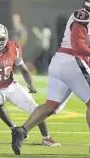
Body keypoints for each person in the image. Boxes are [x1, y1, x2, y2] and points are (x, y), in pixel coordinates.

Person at [11, 0, 90, 155]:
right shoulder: (84, 15)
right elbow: (78, 46)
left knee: (50, 106)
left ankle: (22, 131)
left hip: (62, 63)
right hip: (71, 61)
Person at [0, 23, 60, 148]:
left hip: (10, 86)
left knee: (36, 109)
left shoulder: (14, 48)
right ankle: (15, 129)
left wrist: (30, 84)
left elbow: (23, 69)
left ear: (6, 38)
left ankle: (46, 138)